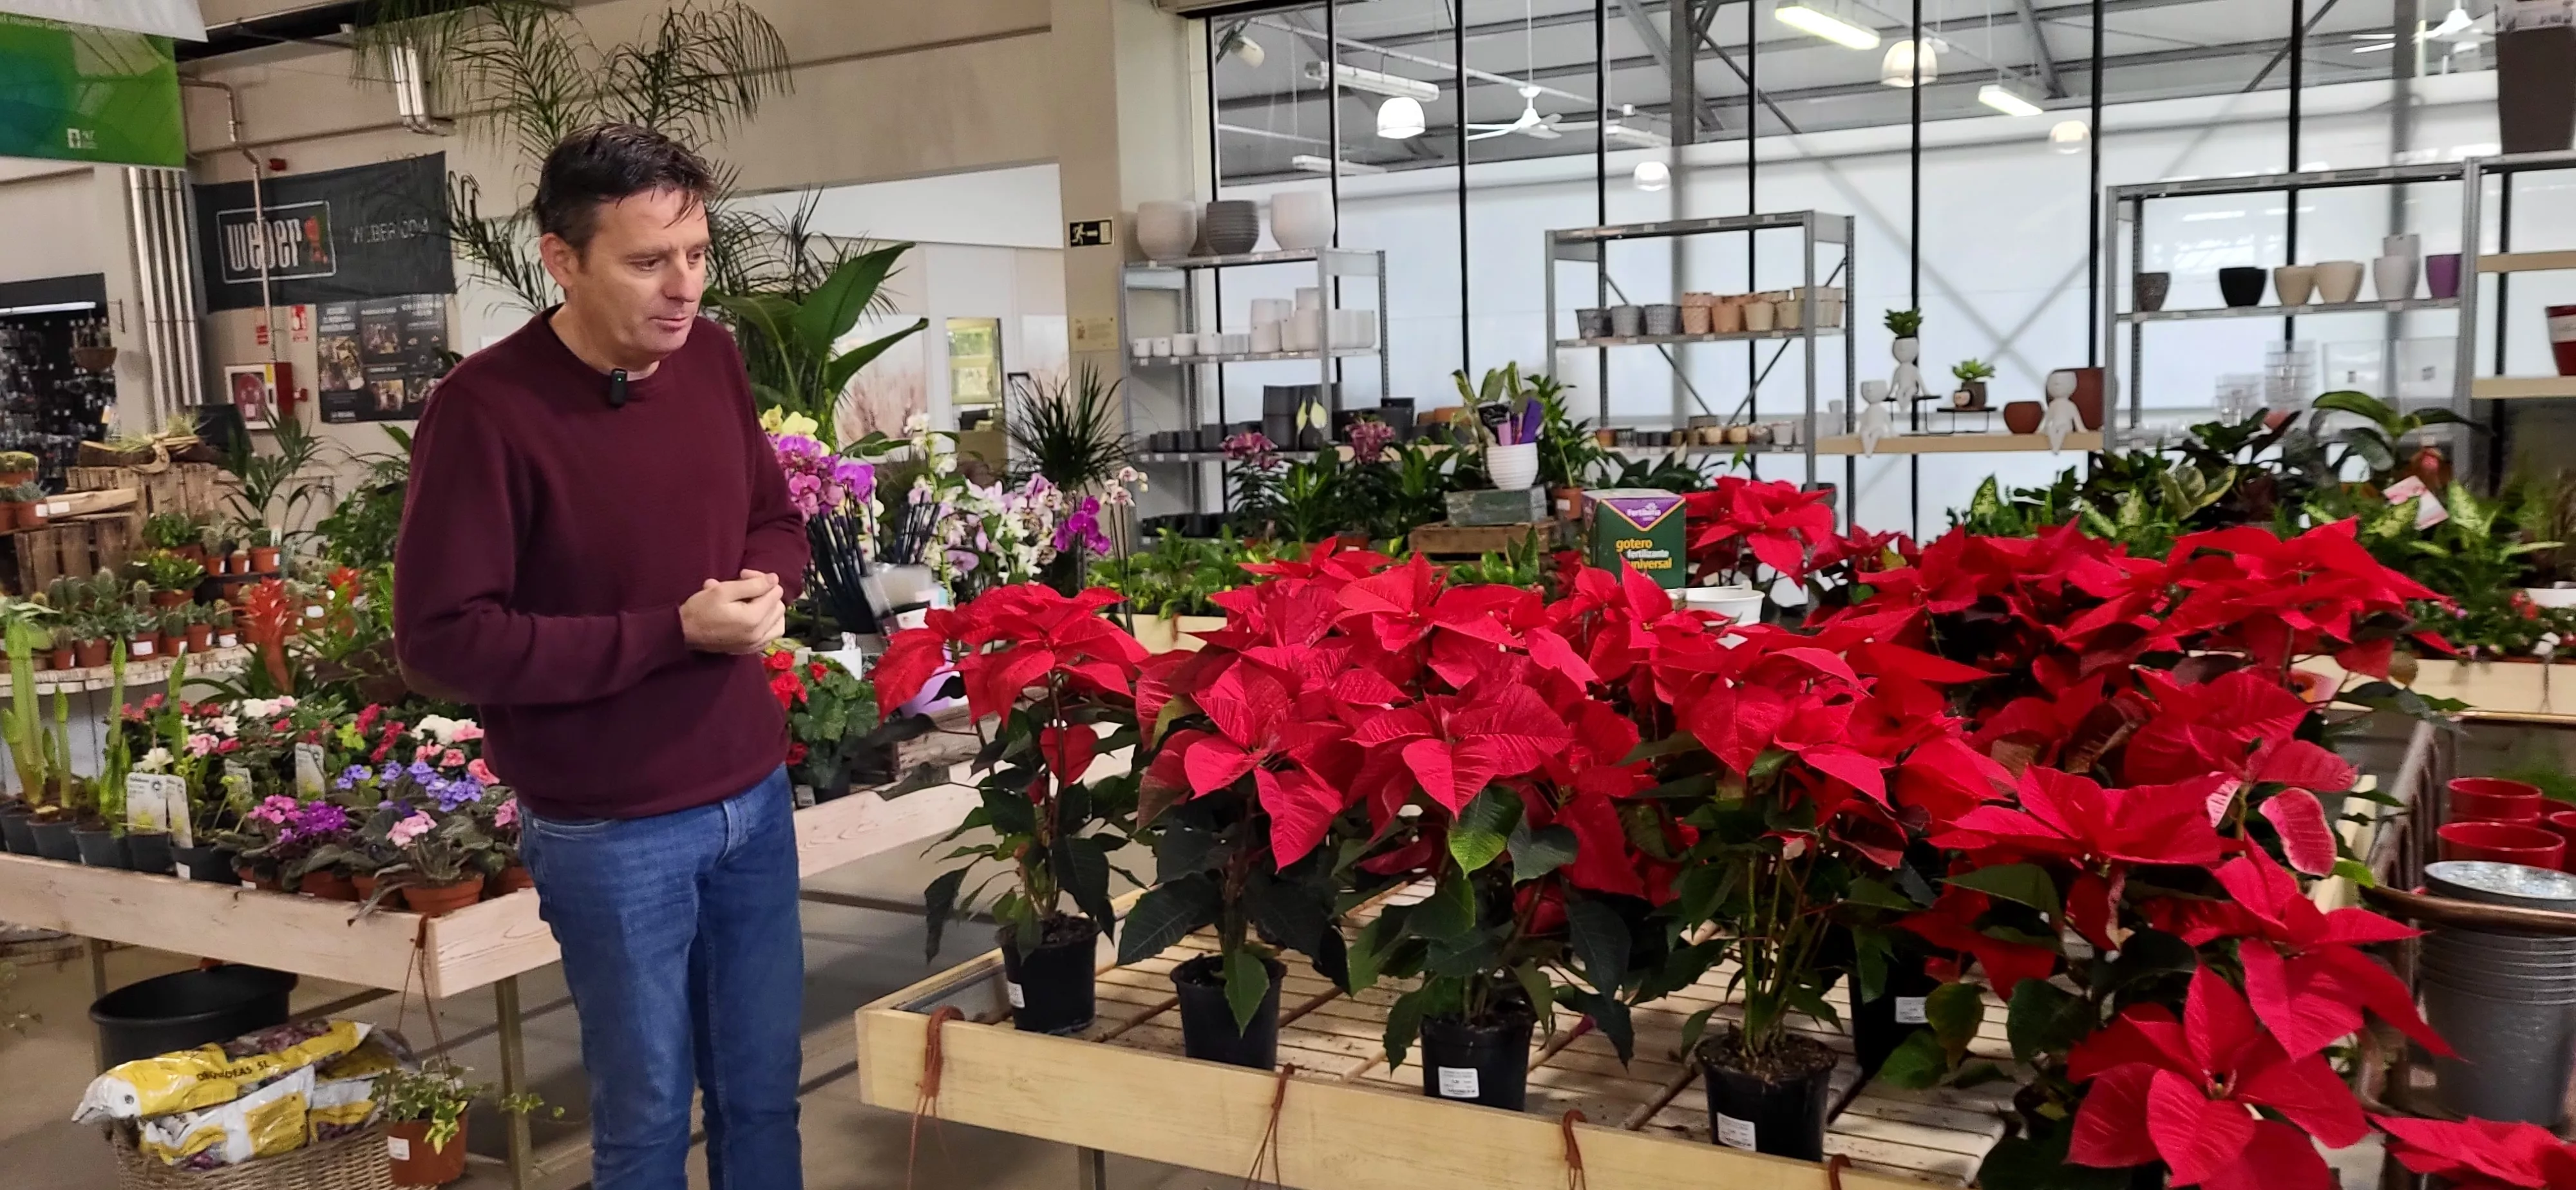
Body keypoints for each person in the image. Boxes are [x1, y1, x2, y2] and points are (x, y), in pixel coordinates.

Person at [393, 123, 808, 1190]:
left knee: (765, 1092)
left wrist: (768, 590)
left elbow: (773, 518)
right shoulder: (485, 412)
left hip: (751, 797)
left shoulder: (711, 358)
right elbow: (443, 641)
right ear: (562, 259)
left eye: (699, 254)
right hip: (612, 827)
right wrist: (671, 631)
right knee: (647, 1117)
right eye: (646, 261)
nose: (684, 288)